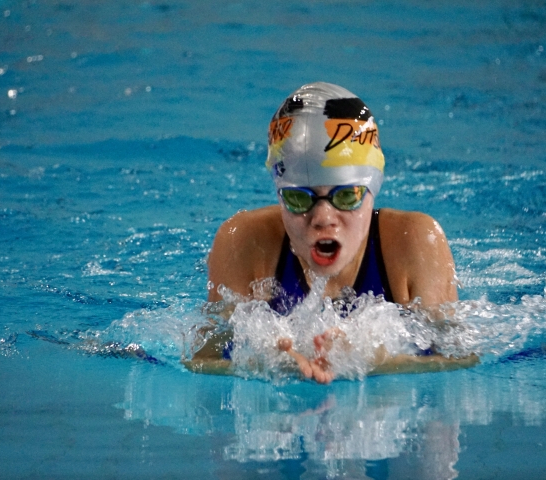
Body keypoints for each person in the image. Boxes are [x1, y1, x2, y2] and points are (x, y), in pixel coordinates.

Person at [185, 82, 476, 382]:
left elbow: (462, 359)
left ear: (372, 190)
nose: (323, 218)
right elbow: (202, 362)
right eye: (299, 198)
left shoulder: (416, 242)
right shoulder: (243, 242)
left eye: (346, 196)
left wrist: (378, 361)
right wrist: (263, 364)